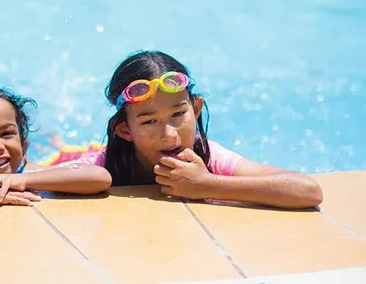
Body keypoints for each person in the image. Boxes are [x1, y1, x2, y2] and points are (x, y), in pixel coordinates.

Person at [47, 50, 323, 209]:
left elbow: (308, 190)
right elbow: (36, 178)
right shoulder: (105, 163)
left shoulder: (210, 158)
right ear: (124, 130)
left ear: (197, 109)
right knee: (55, 153)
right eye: (149, 121)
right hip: (73, 159)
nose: (169, 135)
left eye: (179, 114)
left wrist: (210, 184)